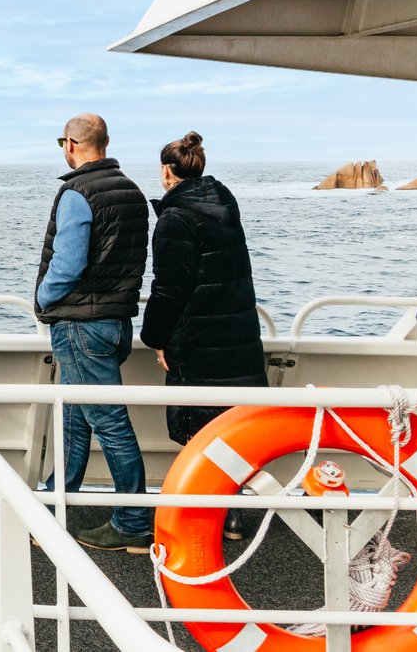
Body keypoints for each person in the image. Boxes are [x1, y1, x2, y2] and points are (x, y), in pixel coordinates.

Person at [141, 131, 267, 540]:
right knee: (228, 425)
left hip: (197, 339)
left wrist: (155, 337)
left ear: (166, 171)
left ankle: (209, 515)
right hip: (238, 333)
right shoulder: (225, 206)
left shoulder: (175, 218)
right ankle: (229, 512)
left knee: (196, 427)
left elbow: (169, 288)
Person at [36, 113, 152, 553]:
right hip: (115, 323)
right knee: (73, 419)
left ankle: (134, 522)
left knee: (109, 423)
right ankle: (48, 508)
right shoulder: (132, 191)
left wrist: (45, 298)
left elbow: (66, 265)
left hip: (81, 327)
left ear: (70, 144)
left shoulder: (77, 192)